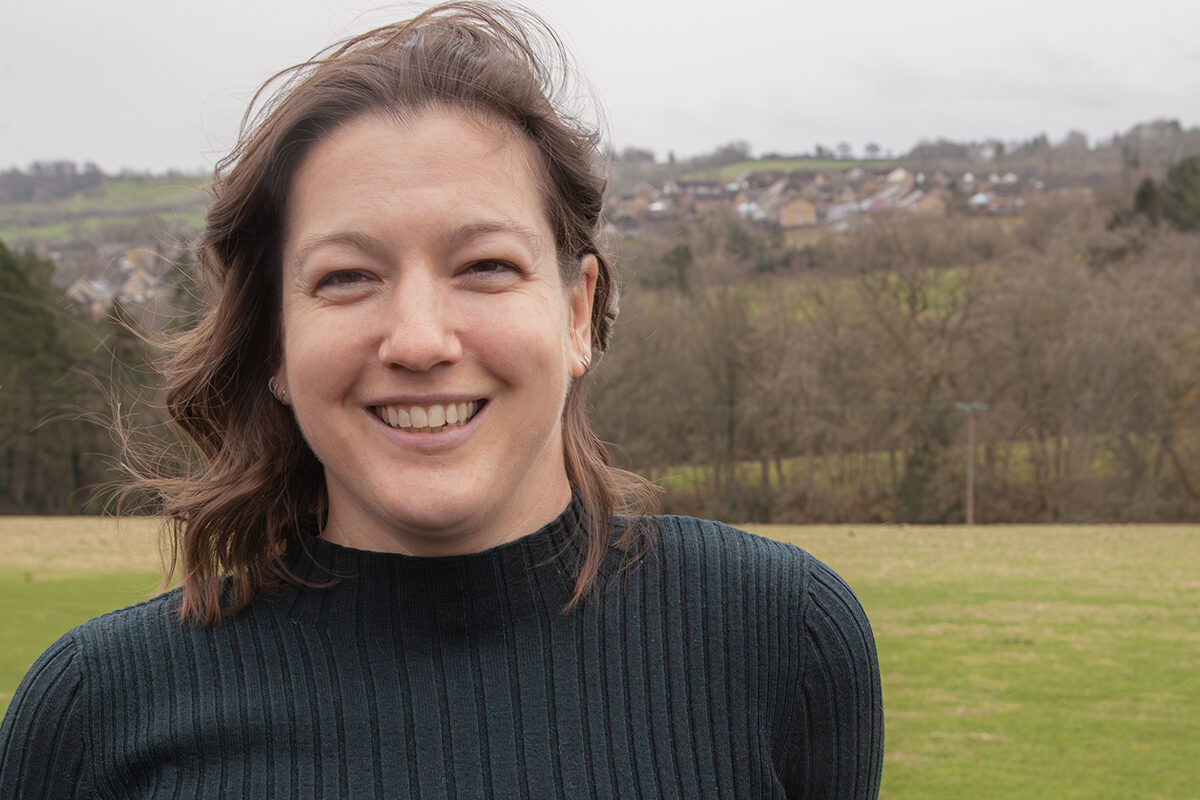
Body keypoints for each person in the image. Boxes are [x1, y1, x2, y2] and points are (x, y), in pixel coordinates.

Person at [0, 3, 883, 796]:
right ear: (274, 343)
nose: (419, 341)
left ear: (577, 313)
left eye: (485, 266)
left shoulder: (781, 640)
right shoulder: (95, 716)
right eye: (347, 277)